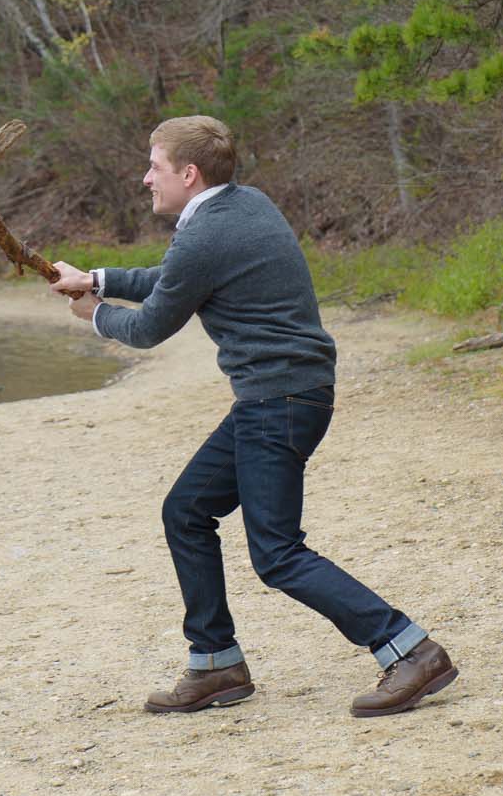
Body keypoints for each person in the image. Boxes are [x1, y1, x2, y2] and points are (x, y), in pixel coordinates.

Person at [50, 115, 458, 719]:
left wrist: (95, 314)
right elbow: (177, 281)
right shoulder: (246, 206)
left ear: (187, 175)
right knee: (186, 510)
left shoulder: (205, 235)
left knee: (276, 553)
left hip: (279, 400)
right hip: (285, 395)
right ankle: (215, 662)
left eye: (154, 168)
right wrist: (99, 279)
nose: (145, 179)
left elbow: (150, 324)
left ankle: (410, 648)